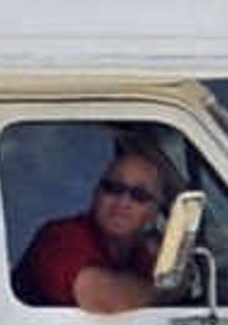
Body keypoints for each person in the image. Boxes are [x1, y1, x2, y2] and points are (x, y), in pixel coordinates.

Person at [16, 132, 187, 314]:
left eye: (139, 195)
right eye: (114, 188)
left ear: (153, 212)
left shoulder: (140, 252)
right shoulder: (59, 238)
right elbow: (104, 298)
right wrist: (168, 289)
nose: (123, 202)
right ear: (96, 194)